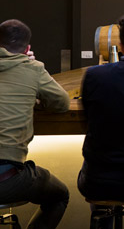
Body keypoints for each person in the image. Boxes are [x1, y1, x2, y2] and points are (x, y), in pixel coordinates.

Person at [77, 13, 124, 217]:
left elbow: (87, 119)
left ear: (120, 45)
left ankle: (103, 220)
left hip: (95, 182)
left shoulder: (94, 75)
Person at [0, 19, 71, 229]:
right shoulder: (32, 68)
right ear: (27, 48)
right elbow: (62, 103)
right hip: (8, 179)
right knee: (59, 196)